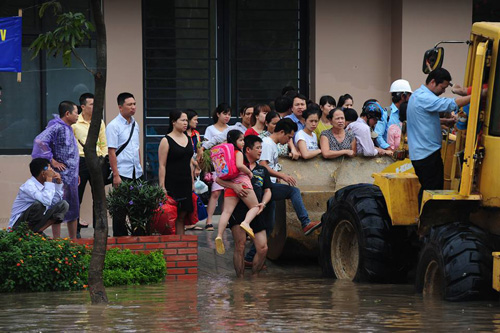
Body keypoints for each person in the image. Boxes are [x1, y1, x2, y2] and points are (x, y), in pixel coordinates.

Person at [407, 68, 471, 205]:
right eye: (442, 87)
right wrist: (475, 96)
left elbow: (423, 119)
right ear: (433, 82)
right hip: (427, 154)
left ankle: (423, 221)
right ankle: (426, 223)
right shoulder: (424, 97)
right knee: (432, 193)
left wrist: (444, 122)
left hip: (423, 153)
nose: (443, 91)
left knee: (428, 189)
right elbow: (448, 104)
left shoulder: (417, 95)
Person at [216, 135, 272, 276]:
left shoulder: (262, 170)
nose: (260, 151)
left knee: (263, 247)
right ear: (248, 149)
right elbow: (218, 179)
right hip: (238, 210)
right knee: (240, 246)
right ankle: (240, 281)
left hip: (257, 210)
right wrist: (234, 186)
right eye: (258, 148)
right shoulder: (237, 163)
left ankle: (254, 276)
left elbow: (268, 191)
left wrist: (263, 203)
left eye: (261, 148)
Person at [259, 118, 322, 236]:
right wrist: (282, 175)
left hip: (269, 185)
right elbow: (263, 166)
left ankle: (254, 254)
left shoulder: (271, 144)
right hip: (265, 186)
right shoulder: (267, 143)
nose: (289, 140)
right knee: (293, 191)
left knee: (268, 226)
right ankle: (305, 223)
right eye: (288, 137)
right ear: (281, 132)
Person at [31, 101, 79, 239]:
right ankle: (57, 241)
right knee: (58, 207)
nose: (78, 116)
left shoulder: (68, 128)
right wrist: (52, 160)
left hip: (72, 176)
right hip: (61, 176)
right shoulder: (57, 127)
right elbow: (40, 141)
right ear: (67, 113)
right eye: (76, 112)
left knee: (73, 208)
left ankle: (73, 241)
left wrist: (76, 173)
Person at [214, 130, 264, 255]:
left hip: (230, 185)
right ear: (235, 141)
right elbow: (239, 165)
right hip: (243, 183)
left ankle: (219, 235)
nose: (243, 142)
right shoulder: (238, 152)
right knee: (255, 207)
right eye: (241, 140)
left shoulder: (227, 154)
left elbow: (218, 177)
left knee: (226, 211)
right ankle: (246, 223)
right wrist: (249, 172)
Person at [106, 92, 143, 236]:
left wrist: (139, 166)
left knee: (138, 206)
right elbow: (111, 152)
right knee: (120, 208)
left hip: (136, 172)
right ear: (120, 107)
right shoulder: (113, 126)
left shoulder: (135, 123)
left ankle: (138, 237)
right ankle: (120, 240)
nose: (133, 107)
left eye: (134, 104)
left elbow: (136, 148)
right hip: (122, 172)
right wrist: (116, 175)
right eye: (129, 104)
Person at [72, 93, 108, 238]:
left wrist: (103, 158)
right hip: (80, 162)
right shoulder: (75, 123)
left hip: (97, 161)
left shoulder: (98, 121)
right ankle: (76, 230)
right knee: (77, 197)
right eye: (92, 104)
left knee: (98, 198)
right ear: (83, 106)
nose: (95, 107)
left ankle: (99, 230)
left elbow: (104, 143)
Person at [158, 110, 194, 235]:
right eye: (182, 120)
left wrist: (193, 182)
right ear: (173, 122)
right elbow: (162, 165)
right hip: (171, 182)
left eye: (186, 120)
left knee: (182, 215)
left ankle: (181, 246)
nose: (186, 123)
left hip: (186, 182)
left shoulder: (189, 139)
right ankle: (170, 246)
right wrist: (162, 186)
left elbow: (189, 163)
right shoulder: (166, 140)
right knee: (170, 215)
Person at [9, 158, 69, 234]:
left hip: (35, 223)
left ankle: (37, 232)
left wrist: (58, 183)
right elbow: (46, 201)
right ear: (43, 173)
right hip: (18, 225)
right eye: (50, 169)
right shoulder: (29, 186)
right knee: (39, 205)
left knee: (63, 205)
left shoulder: (47, 184)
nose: (53, 172)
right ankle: (26, 233)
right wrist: (49, 179)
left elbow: (54, 202)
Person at [201, 103, 232, 232]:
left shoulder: (231, 128)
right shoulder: (210, 129)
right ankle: (209, 220)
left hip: (229, 164)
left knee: (227, 193)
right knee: (215, 193)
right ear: (218, 114)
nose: (227, 117)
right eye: (225, 113)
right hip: (216, 164)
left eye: (229, 114)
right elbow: (206, 146)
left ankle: (225, 221)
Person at [374, 79, 412, 150]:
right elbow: (378, 135)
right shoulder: (386, 114)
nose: (410, 99)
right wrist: (389, 149)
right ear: (403, 96)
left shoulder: (410, 112)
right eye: (409, 95)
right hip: (390, 157)